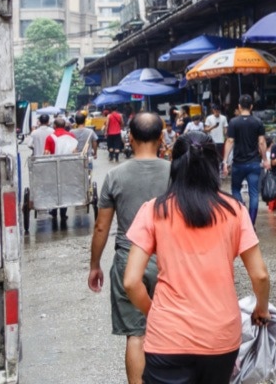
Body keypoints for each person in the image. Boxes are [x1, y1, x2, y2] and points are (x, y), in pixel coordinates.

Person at [123, 131, 271, 384]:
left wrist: (154, 311)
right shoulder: (235, 210)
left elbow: (130, 282)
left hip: (168, 337)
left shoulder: (153, 210)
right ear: (214, 166)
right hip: (220, 337)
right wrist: (261, 308)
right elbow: (260, 275)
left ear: (175, 165)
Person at [88, 112, 171, 384]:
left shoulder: (114, 176)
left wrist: (94, 265)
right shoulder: (175, 172)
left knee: (136, 334)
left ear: (130, 138)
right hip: (170, 262)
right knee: (172, 329)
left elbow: (101, 227)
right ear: (161, 137)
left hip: (128, 262)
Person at [223, 94, 268, 223]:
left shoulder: (233, 122)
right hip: (254, 163)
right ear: (252, 107)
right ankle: (251, 223)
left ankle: (242, 214)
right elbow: (261, 142)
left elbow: (230, 141)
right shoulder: (258, 122)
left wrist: (225, 161)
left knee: (236, 190)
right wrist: (265, 160)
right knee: (254, 194)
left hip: (238, 164)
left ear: (239, 106)